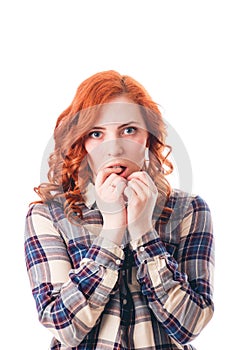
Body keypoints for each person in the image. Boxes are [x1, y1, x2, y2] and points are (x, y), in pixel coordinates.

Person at [24, 70, 214, 350]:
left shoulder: (189, 210)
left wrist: (143, 230)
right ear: (82, 143)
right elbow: (64, 327)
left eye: (128, 130)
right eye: (97, 133)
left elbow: (190, 325)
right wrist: (113, 228)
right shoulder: (49, 215)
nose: (114, 149)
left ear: (148, 136)